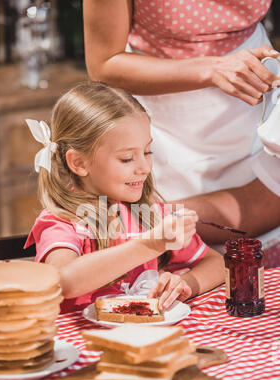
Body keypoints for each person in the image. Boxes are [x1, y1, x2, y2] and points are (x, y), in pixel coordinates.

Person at [83, 0, 280, 263]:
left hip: (254, 101)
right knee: (163, 242)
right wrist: (212, 68)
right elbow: (104, 64)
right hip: (160, 116)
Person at [24, 82, 224, 314]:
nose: (144, 167)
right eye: (127, 158)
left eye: (147, 152)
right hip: (87, 346)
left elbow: (217, 263)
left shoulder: (150, 215)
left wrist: (185, 284)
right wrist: (150, 244)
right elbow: (64, 281)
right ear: (79, 163)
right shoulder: (62, 222)